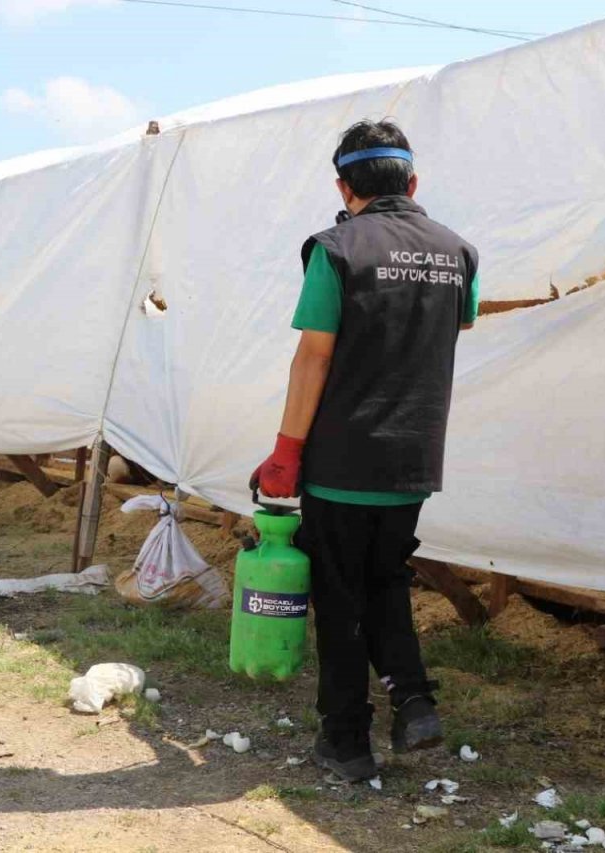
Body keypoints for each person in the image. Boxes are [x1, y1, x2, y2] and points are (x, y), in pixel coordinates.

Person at [251, 120, 479, 782]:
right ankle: (413, 702)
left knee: (341, 597)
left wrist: (286, 450)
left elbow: (313, 355)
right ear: (412, 182)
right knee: (385, 582)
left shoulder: (336, 249)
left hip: (345, 459)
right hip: (412, 461)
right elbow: (456, 320)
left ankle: (347, 742)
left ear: (343, 186)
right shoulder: (457, 251)